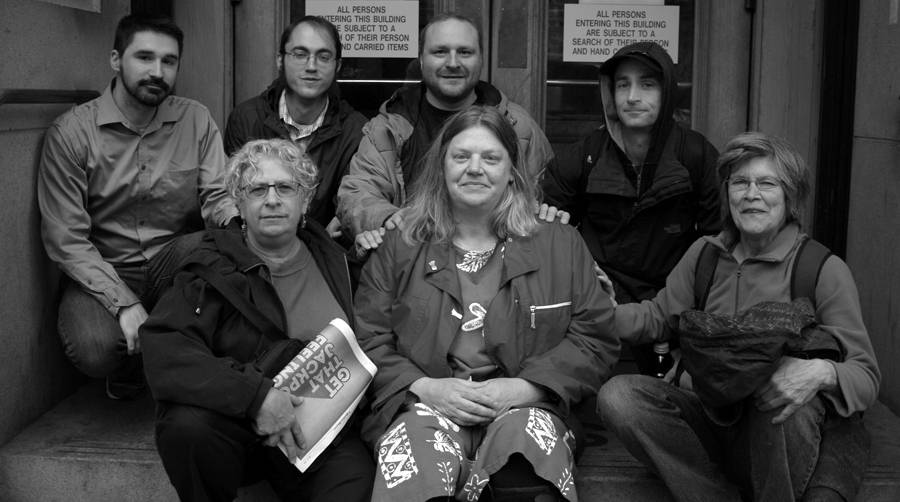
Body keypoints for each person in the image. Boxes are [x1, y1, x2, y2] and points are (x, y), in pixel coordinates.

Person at [596, 132, 881, 501]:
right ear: (727, 192)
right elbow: (657, 317)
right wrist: (604, 312)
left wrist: (821, 372)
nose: (751, 195)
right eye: (740, 182)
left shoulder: (820, 268)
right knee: (620, 395)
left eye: (767, 183)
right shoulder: (705, 255)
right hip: (708, 421)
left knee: (784, 399)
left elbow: (866, 375)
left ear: (790, 196)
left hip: (779, 435)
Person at [354, 106, 618, 501]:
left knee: (526, 460)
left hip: (528, 405)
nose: (474, 168)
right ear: (441, 167)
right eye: (461, 157)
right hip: (424, 404)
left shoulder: (559, 243)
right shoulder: (401, 243)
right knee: (414, 461)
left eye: (491, 158)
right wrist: (426, 388)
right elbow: (369, 338)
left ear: (512, 170)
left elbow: (594, 337)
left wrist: (525, 389)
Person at [140, 139, 374, 502]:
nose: (272, 199)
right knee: (187, 428)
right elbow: (166, 347)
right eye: (257, 189)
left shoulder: (339, 262)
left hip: (325, 435)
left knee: (356, 485)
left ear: (306, 200)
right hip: (240, 428)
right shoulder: (211, 266)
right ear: (238, 202)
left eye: (285, 187)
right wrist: (257, 398)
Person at [37, 13, 235, 399]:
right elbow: (66, 240)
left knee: (225, 247)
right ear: (116, 60)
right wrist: (122, 303)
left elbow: (217, 196)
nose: (157, 72)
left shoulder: (195, 119)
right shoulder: (72, 133)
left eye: (168, 61)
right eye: (144, 57)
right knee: (94, 348)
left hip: (172, 261)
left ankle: (171, 362)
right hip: (104, 266)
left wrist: (243, 223)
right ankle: (141, 363)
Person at [337, 12, 555, 240]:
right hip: (412, 257)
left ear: (480, 59)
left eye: (464, 52)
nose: (453, 63)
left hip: (500, 262)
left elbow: (546, 198)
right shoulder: (386, 129)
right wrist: (389, 219)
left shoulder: (517, 126)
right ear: (421, 59)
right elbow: (356, 197)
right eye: (440, 52)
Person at [542, 42, 721, 304]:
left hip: (673, 305)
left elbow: (718, 245)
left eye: (647, 84)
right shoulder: (585, 157)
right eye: (623, 85)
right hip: (598, 301)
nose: (632, 97)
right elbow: (544, 240)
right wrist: (548, 223)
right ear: (610, 94)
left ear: (666, 92)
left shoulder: (697, 155)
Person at [224, 16, 366, 241]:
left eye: (323, 57)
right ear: (280, 61)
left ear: (337, 65)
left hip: (325, 250)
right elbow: (236, 198)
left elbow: (348, 203)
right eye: (300, 55)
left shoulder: (356, 130)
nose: (311, 67)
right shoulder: (246, 118)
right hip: (255, 249)